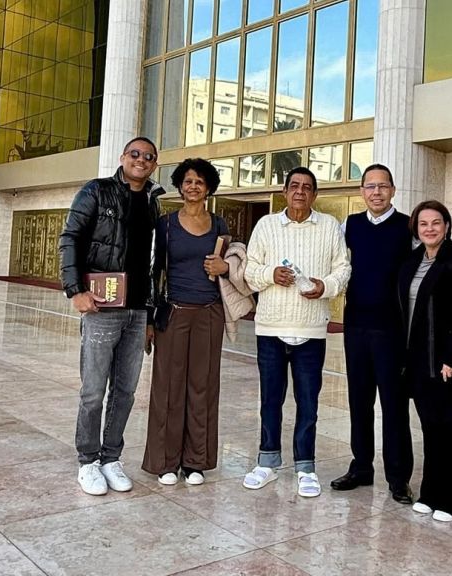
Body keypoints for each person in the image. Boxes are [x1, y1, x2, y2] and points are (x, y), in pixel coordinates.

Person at [59, 137, 165, 495]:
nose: (141, 160)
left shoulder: (152, 203)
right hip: (102, 307)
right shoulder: (96, 191)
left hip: (137, 310)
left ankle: (111, 458)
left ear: (154, 164)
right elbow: (71, 238)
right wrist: (75, 290)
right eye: (135, 154)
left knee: (125, 392)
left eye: (148, 157)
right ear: (123, 157)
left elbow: (154, 264)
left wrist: (150, 315)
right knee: (93, 391)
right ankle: (88, 461)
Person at [242, 166, 351, 498]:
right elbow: (249, 269)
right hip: (271, 328)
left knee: (308, 402)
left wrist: (325, 286)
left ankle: (306, 466)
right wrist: (271, 274)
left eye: (306, 187)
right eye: (294, 186)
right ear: (284, 191)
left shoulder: (329, 226)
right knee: (270, 399)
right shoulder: (266, 225)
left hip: (311, 329)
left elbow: (343, 268)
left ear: (314, 194)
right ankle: (267, 461)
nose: (300, 192)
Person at [141, 158, 230, 486]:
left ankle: (195, 462)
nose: (193, 186)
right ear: (180, 186)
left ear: (209, 188)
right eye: (188, 181)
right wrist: (149, 319)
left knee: (203, 387)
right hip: (173, 312)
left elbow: (232, 265)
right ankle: (165, 461)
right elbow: (153, 272)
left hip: (209, 313)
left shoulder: (219, 225)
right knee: (168, 387)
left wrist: (225, 268)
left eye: (200, 182)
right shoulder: (165, 225)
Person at [330, 164, 415, 504]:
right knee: (359, 400)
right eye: (370, 186)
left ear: (393, 190)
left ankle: (398, 477)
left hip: (392, 330)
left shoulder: (408, 226)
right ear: (362, 191)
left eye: (383, 186)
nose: (376, 192)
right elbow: (333, 261)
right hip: (356, 327)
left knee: (394, 405)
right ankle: (361, 467)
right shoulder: (349, 225)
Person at [398, 200, 452, 522]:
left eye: (436, 222)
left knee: (450, 429)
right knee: (430, 427)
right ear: (416, 229)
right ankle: (430, 493)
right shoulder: (411, 262)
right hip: (418, 359)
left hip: (447, 360)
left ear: (446, 226)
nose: (430, 228)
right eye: (423, 224)